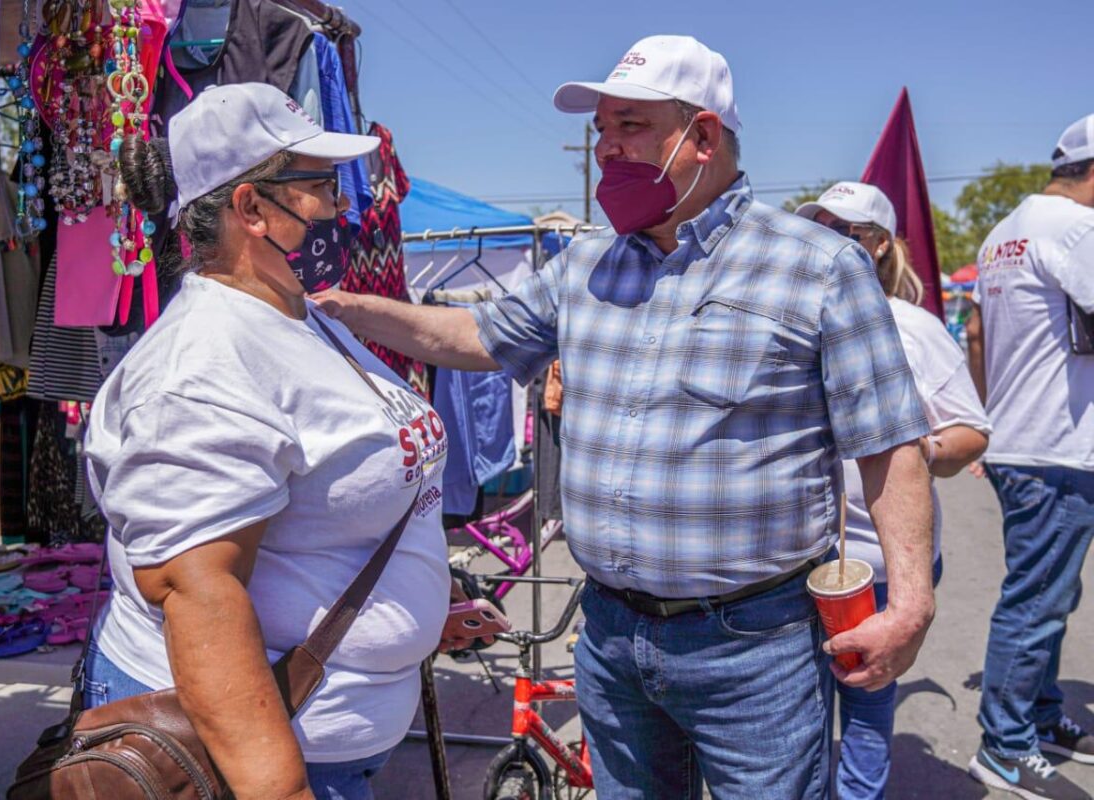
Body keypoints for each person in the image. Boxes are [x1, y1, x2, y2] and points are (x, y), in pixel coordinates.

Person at [316, 35, 937, 798]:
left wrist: (911, 603)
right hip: (611, 636)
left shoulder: (819, 265)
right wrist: (349, 310)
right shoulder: (584, 265)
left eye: (631, 126)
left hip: (756, 649)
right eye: (601, 129)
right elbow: (478, 336)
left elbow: (891, 445)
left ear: (702, 136)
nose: (607, 147)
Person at [82, 83, 460, 800]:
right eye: (321, 186)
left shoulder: (299, 317)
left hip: (334, 740)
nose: (342, 208)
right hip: (257, 762)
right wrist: (281, 790)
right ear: (252, 208)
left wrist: (423, 602)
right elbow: (198, 592)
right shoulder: (199, 369)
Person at [797, 183, 991, 799]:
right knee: (795, 711)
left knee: (865, 697)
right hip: (792, 559)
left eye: (844, 232)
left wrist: (910, 452)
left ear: (879, 245)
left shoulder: (912, 327)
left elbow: (971, 432)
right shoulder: (787, 317)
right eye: (817, 229)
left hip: (874, 564)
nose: (825, 242)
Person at [966, 113, 1094, 800]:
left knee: (1049, 592)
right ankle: (1004, 745)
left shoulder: (1005, 231)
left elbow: (977, 335)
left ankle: (1039, 716)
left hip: (1020, 438)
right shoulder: (1076, 230)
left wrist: (989, 416)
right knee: (1038, 599)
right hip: (1057, 445)